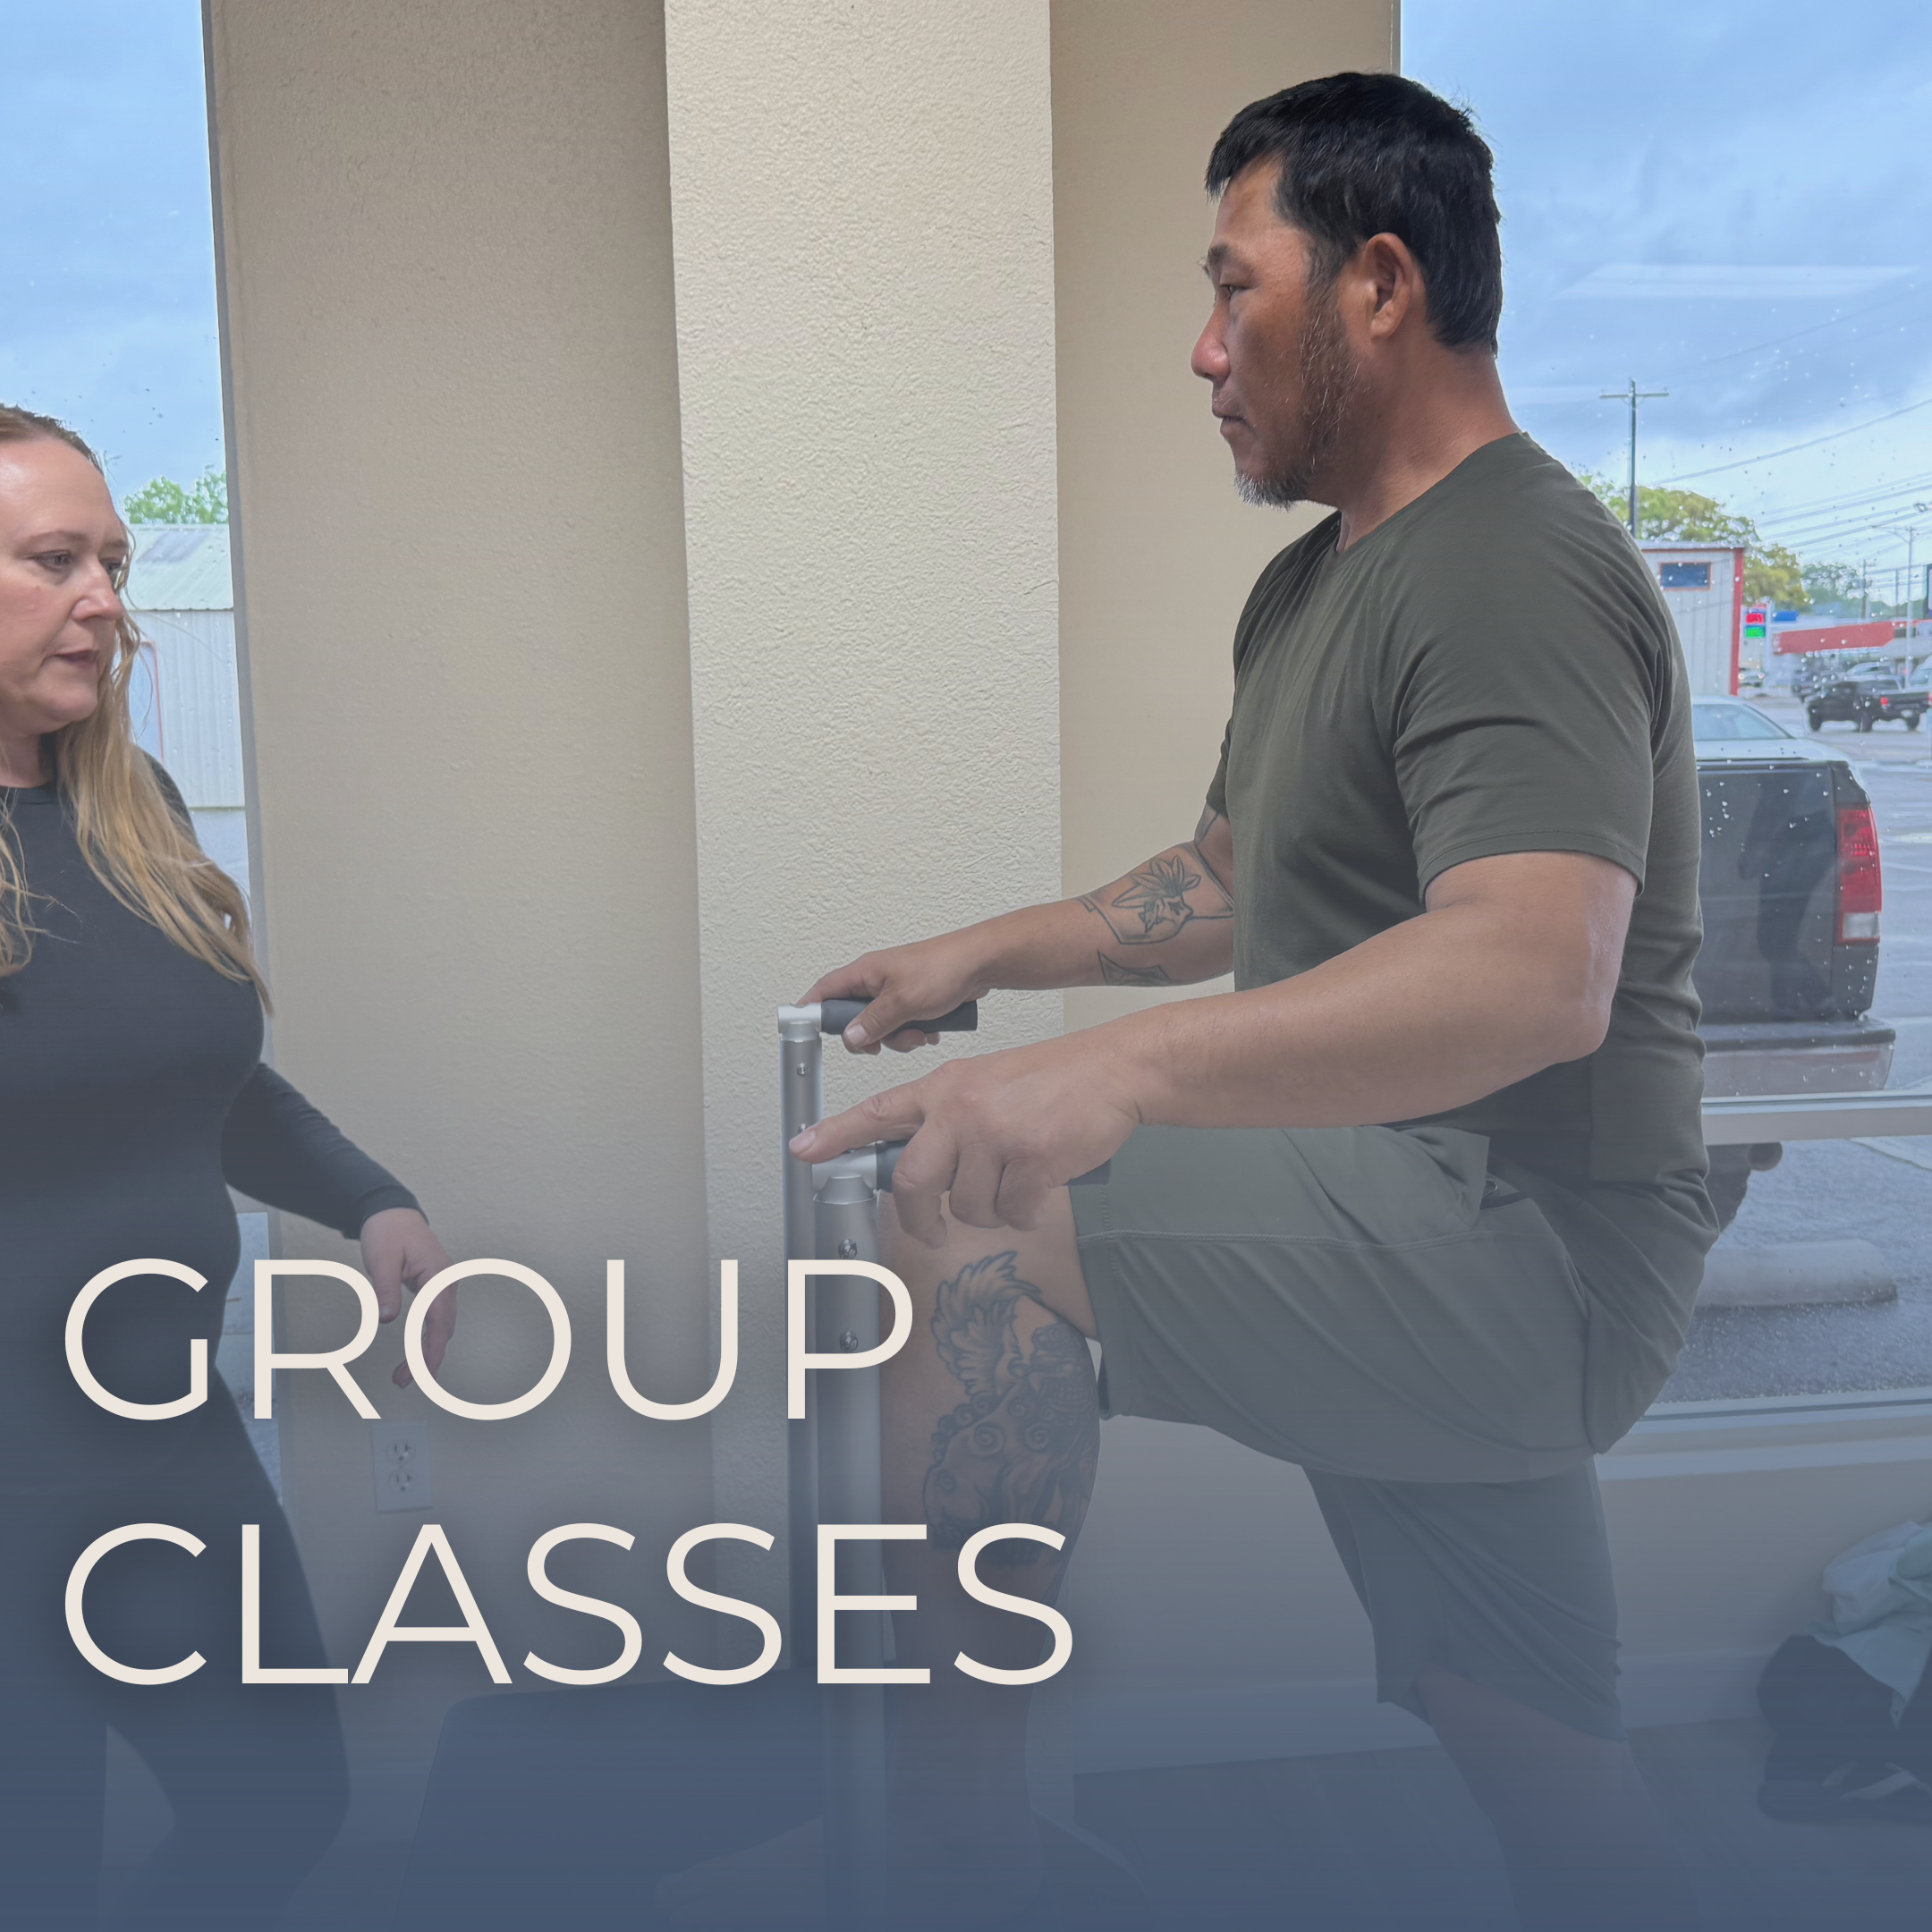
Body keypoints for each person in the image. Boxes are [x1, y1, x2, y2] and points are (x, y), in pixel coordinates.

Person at [662, 72, 1716, 1932]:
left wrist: (1107, 1086)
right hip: (1406, 1219)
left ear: (1380, 284)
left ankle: (948, 1862)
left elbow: (1536, 969)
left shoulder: (1519, 566)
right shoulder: (1318, 590)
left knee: (969, 1211)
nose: (1204, 346)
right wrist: (984, 955)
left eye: (1239, 288)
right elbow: (1225, 890)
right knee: (1558, 1783)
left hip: (1512, 1249)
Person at [0, 402, 457, 1928]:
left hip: (170, 1442)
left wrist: (371, 1201)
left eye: (113, 562)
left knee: (284, 1806)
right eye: (56, 559)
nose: (108, 601)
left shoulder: (132, 815)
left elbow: (203, 1082)